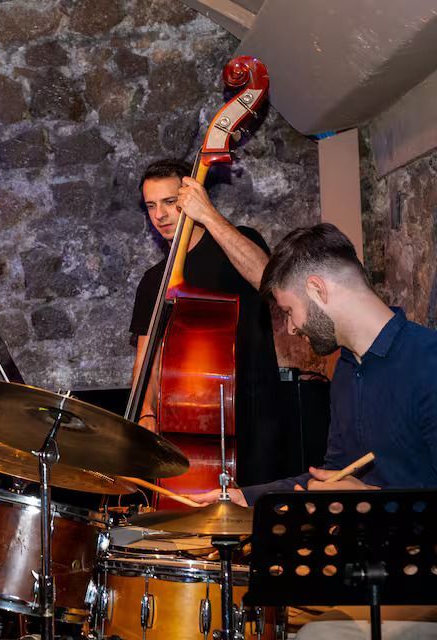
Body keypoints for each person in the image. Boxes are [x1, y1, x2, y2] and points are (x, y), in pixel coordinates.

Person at [192, 223, 437, 638]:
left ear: (318, 289)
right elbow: (332, 477)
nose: (290, 328)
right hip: (370, 571)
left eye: (289, 311)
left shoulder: (428, 363)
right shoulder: (346, 372)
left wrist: (376, 504)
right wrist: (244, 499)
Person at [128, 159, 283, 486]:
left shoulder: (237, 242)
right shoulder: (154, 281)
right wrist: (146, 413)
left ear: (191, 197)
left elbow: (267, 280)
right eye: (151, 206)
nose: (159, 215)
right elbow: (146, 360)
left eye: (170, 202)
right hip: (190, 430)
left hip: (255, 422)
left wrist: (208, 214)